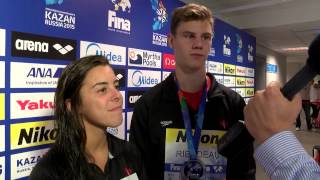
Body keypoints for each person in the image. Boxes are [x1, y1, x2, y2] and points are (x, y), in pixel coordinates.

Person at [129, 3, 256, 180]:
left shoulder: (233, 103)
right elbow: (139, 170)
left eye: (205, 37)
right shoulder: (148, 106)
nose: (198, 44)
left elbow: (245, 169)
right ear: (171, 41)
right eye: (189, 36)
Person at [29, 55, 145, 180]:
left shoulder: (129, 152)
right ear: (72, 105)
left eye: (116, 86)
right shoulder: (49, 173)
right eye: (102, 90)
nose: (117, 95)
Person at [244, 81, 320, 180]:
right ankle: (299, 125)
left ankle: (308, 126)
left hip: (307, 101)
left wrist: (273, 135)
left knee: (307, 116)